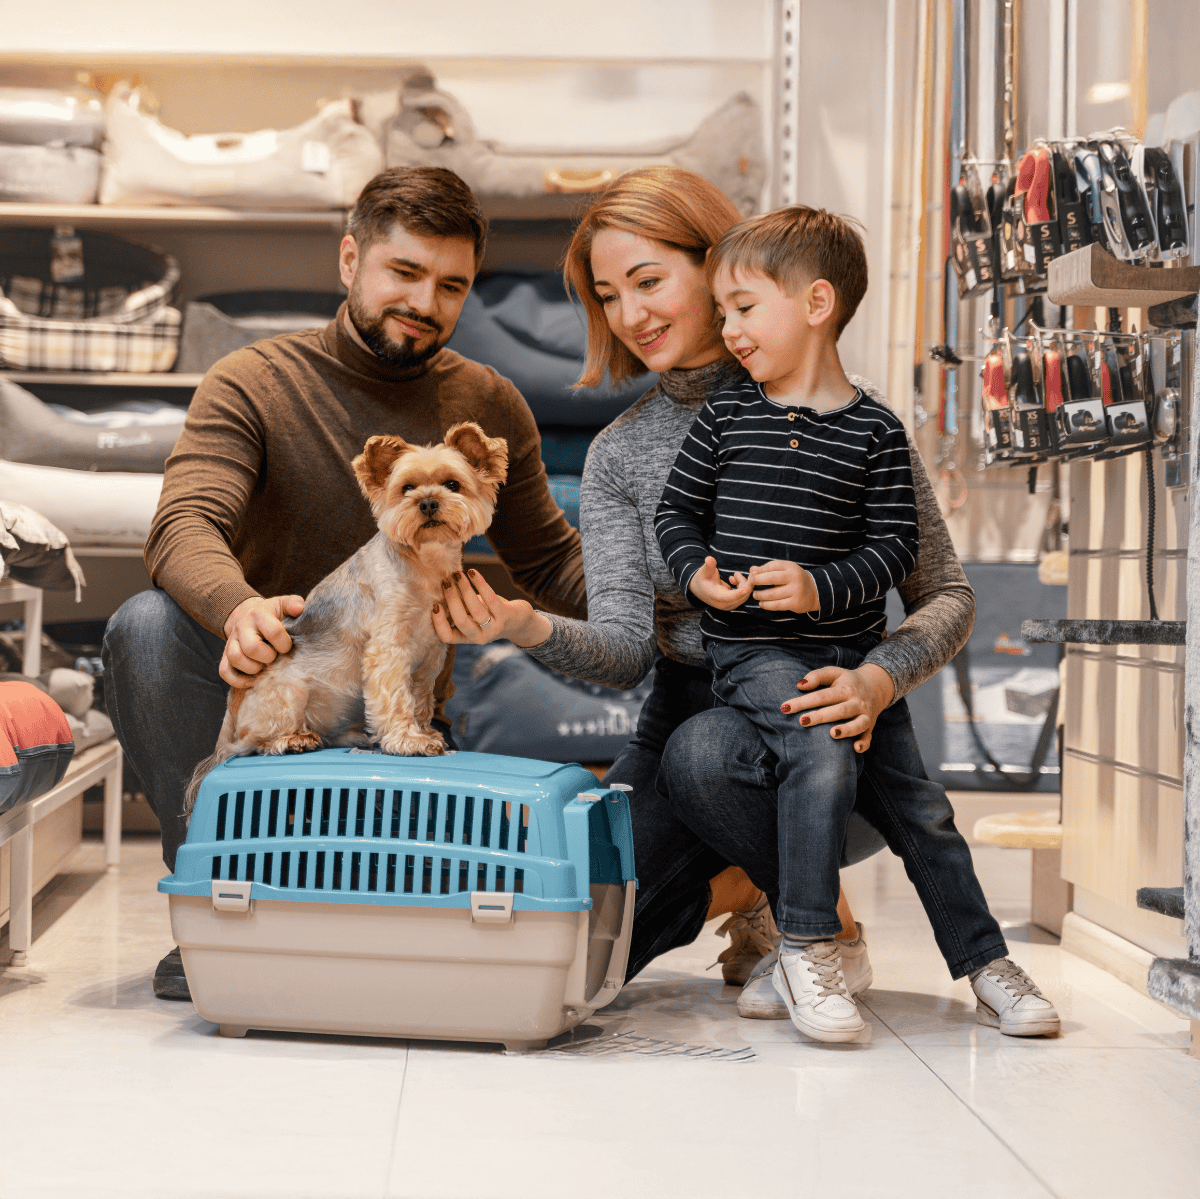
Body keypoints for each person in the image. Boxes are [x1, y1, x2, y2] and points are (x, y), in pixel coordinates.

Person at [433, 167, 1052, 1038]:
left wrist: (878, 680)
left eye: (649, 282)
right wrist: (520, 623)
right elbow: (623, 653)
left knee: (704, 750)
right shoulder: (619, 455)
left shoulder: (843, 416)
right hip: (695, 694)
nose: (631, 315)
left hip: (837, 709)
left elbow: (944, 592)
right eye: (608, 296)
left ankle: (819, 927)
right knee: (584, 953)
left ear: (717, 262)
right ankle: (756, 892)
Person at [103, 166, 588, 1000]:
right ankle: (219, 898)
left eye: (452, 285)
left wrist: (673, 596)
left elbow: (549, 562)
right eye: (403, 273)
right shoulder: (253, 380)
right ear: (349, 259)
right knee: (143, 626)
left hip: (398, 704)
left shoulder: (489, 400)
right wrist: (240, 609)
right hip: (264, 677)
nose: (427, 302)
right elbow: (183, 526)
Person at [654, 207, 1058, 1041]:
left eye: (741, 307)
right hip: (755, 650)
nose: (725, 327)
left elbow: (895, 551)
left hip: (851, 652)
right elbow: (676, 512)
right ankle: (809, 943)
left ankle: (986, 963)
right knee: (816, 742)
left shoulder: (876, 433)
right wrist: (697, 572)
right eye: (722, 311)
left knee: (926, 813)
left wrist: (821, 590)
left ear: (816, 304)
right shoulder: (728, 416)